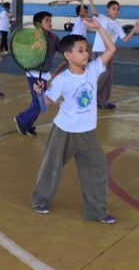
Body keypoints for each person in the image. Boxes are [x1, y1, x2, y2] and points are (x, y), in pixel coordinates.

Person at [30, 22, 117, 223]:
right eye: (80, 51)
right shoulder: (62, 79)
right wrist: (39, 93)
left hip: (87, 133)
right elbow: (46, 105)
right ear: (68, 56)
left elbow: (111, 49)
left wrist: (99, 28)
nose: (86, 54)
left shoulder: (93, 70)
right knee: (51, 167)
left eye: (86, 50)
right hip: (64, 131)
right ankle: (40, 200)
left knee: (97, 171)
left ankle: (97, 211)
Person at [87, 0, 139, 110]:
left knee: (108, 78)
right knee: (101, 75)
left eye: (117, 9)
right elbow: (95, 12)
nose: (116, 11)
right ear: (107, 9)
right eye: (113, 8)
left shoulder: (117, 24)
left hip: (109, 53)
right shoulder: (101, 18)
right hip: (99, 51)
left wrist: (135, 28)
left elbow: (125, 39)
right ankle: (88, 96)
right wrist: (91, 0)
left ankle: (102, 101)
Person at [14, 10, 60, 137]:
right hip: (34, 74)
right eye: (47, 20)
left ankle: (27, 124)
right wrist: (34, 47)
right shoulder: (33, 37)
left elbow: (62, 48)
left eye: (50, 20)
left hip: (44, 74)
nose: (50, 23)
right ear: (38, 24)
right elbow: (26, 55)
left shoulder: (53, 37)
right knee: (40, 102)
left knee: (37, 101)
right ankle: (22, 119)